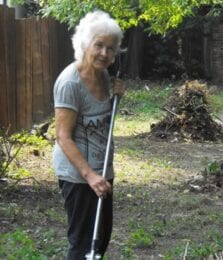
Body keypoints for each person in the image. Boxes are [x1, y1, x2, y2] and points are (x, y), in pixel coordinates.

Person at [53, 10, 124, 259]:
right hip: (80, 175)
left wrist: (117, 98)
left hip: (102, 170)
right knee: (83, 243)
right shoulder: (70, 83)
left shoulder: (105, 77)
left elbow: (103, 122)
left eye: (111, 48)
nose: (105, 53)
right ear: (85, 44)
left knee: (101, 240)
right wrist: (90, 176)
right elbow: (62, 136)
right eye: (99, 45)